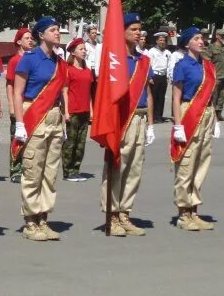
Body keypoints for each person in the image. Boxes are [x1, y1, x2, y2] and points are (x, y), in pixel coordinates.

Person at [13, 16, 68, 241]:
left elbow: (60, 94)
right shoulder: (29, 59)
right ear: (41, 34)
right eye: (53, 30)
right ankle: (30, 221)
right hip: (35, 115)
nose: (57, 33)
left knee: (50, 172)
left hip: (54, 117)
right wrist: (18, 123)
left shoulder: (60, 62)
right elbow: (17, 92)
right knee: (33, 171)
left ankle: (43, 219)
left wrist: (63, 121)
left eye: (58, 29)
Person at [101, 13, 155, 237]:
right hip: (122, 119)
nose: (138, 33)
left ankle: (125, 212)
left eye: (139, 29)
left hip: (140, 117)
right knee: (117, 166)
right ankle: (112, 215)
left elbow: (148, 93)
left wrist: (151, 124)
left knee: (134, 168)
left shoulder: (144, 61)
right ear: (121, 31)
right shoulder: (115, 60)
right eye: (133, 29)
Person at [170, 26, 220, 231]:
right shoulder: (182, 65)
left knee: (201, 164)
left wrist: (215, 119)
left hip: (206, 114)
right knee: (186, 164)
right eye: (197, 38)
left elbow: (210, 96)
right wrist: (178, 125)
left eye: (202, 38)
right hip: (188, 111)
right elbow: (176, 97)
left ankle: (194, 210)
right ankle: (183, 214)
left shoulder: (208, 66)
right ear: (187, 42)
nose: (201, 41)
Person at [60, 37, 93, 182]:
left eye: (85, 49)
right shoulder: (68, 70)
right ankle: (67, 171)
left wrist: (91, 110)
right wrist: (66, 111)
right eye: (81, 49)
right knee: (70, 143)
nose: (84, 51)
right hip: (72, 111)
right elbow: (64, 91)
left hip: (84, 111)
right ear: (73, 52)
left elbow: (89, 93)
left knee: (81, 144)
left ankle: (76, 169)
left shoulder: (87, 70)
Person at [5, 27, 34, 183]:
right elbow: (10, 85)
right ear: (19, 42)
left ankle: (27, 168)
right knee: (17, 137)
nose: (30, 40)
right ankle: (15, 169)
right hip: (18, 105)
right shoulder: (15, 61)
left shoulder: (33, 59)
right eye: (27, 38)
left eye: (31, 38)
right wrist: (11, 106)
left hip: (32, 106)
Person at [147, 32, 172, 122]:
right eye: (160, 40)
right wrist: (150, 76)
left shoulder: (167, 52)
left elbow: (169, 65)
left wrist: (169, 76)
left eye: (164, 40)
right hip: (155, 75)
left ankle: (159, 116)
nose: (162, 42)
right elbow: (149, 65)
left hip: (163, 76)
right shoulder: (152, 51)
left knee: (162, 97)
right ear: (157, 41)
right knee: (154, 96)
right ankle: (152, 116)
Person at [209, 29, 224, 121]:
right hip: (216, 75)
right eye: (221, 35)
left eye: (223, 36)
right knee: (214, 96)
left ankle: (219, 113)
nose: (222, 37)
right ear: (216, 36)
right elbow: (208, 62)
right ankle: (212, 114)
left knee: (222, 96)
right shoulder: (211, 47)